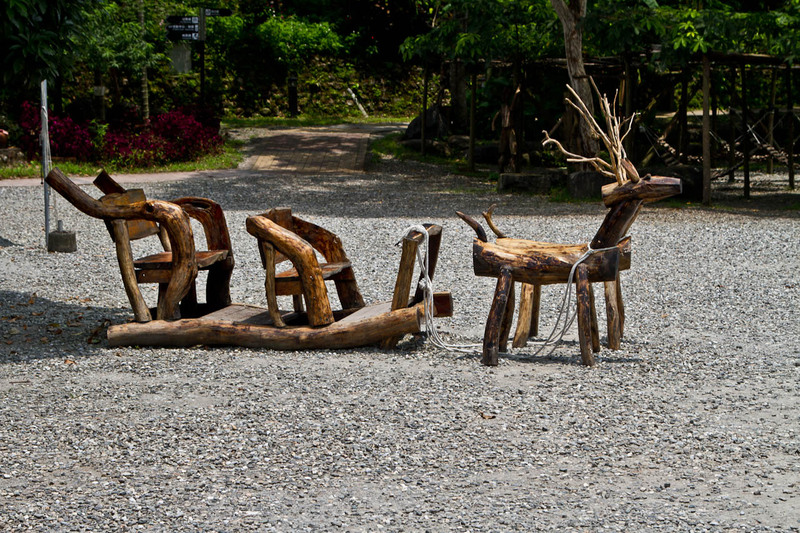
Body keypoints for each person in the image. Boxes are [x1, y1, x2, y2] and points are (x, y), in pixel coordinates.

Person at [492, 85, 521, 173]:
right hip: (506, 129)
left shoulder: (504, 107)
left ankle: (510, 164)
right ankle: (505, 166)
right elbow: (510, 108)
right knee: (506, 149)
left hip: (508, 128)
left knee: (511, 149)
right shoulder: (504, 107)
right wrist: (516, 93)